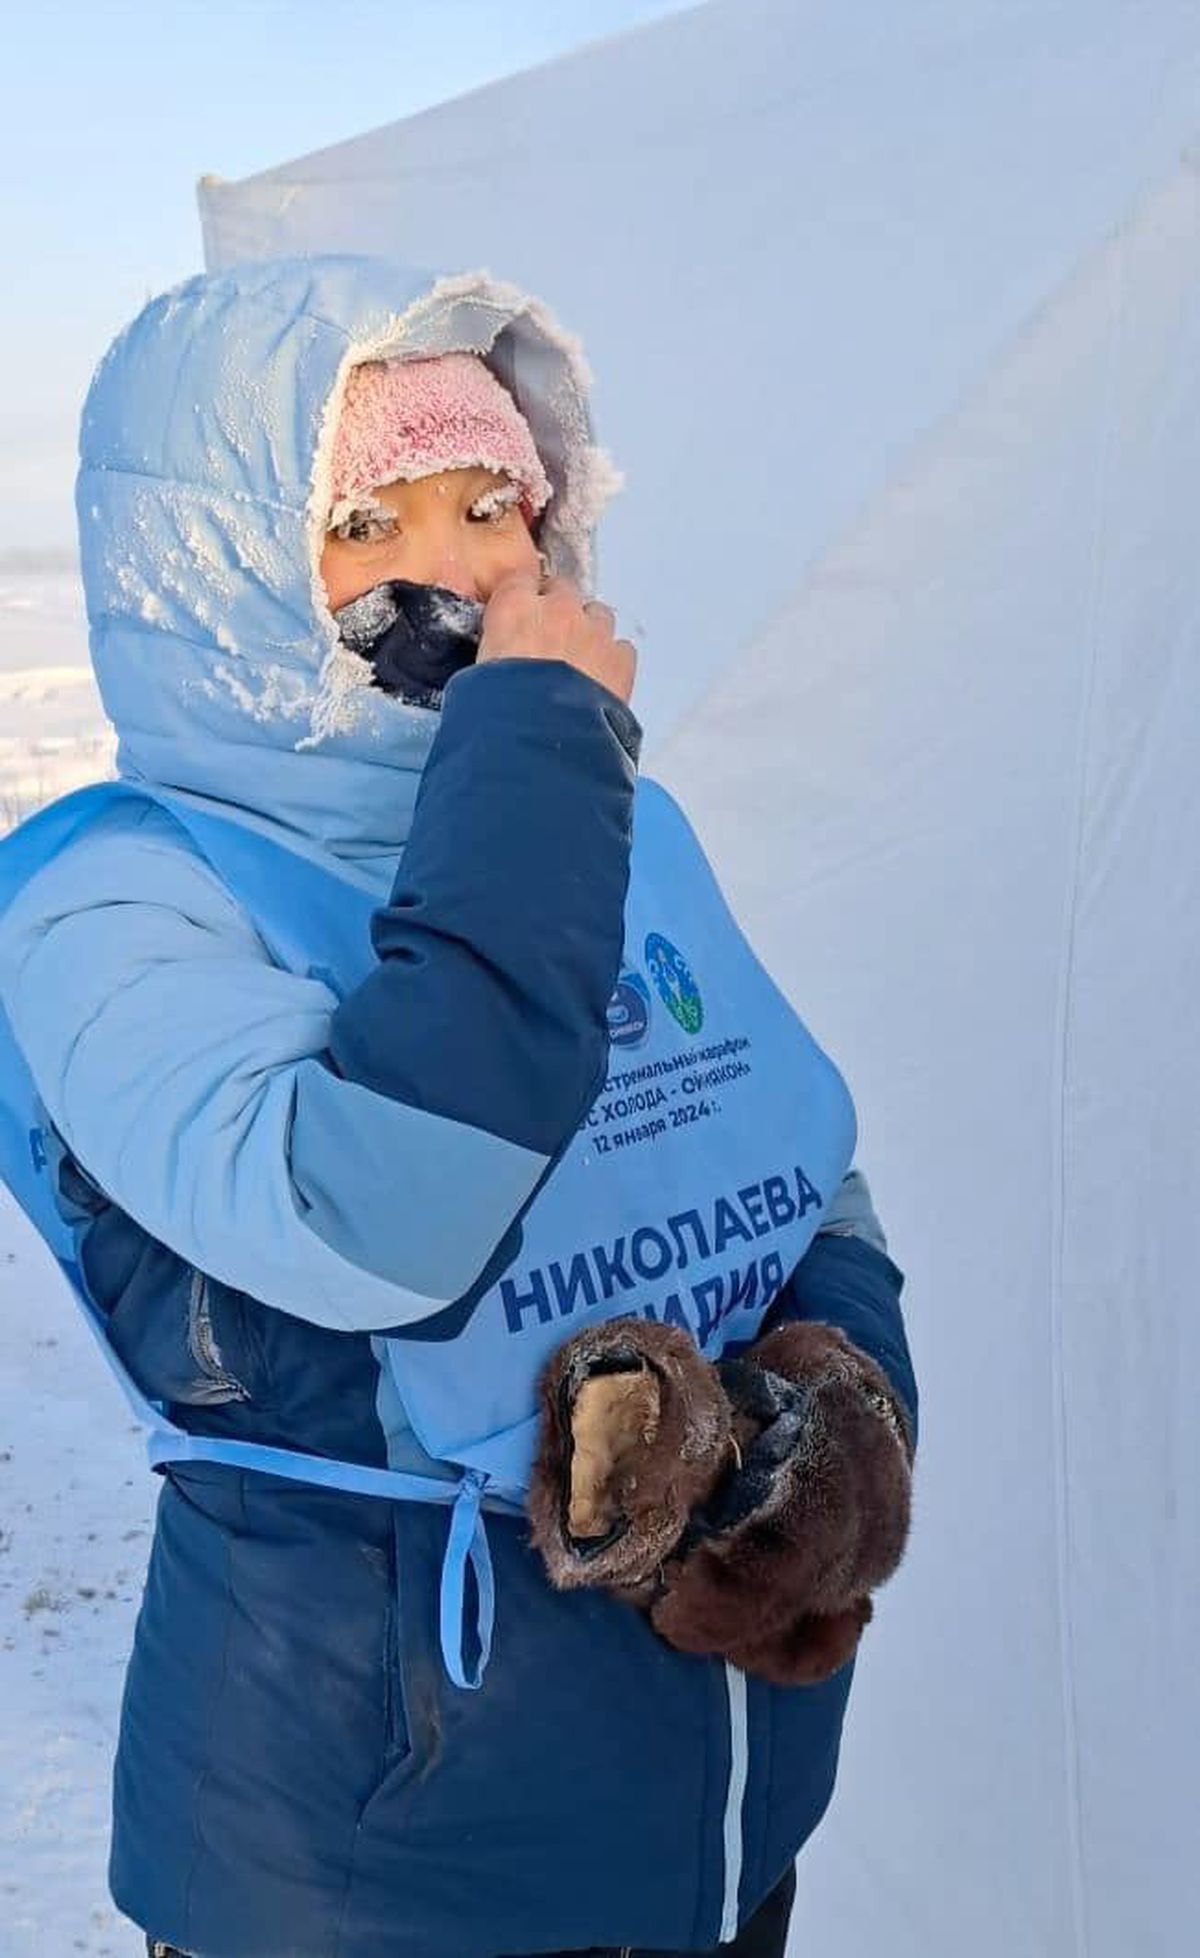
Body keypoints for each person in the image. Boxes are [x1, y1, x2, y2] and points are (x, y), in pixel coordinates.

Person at [0, 256, 918, 1958]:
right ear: (219, 576)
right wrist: (541, 758)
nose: (465, 563)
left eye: (496, 499)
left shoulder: (583, 811)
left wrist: (837, 1395)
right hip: (377, 1870)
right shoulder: (127, 902)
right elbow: (376, 1215)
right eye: (368, 522)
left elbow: (787, 1157)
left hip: (712, 1826)